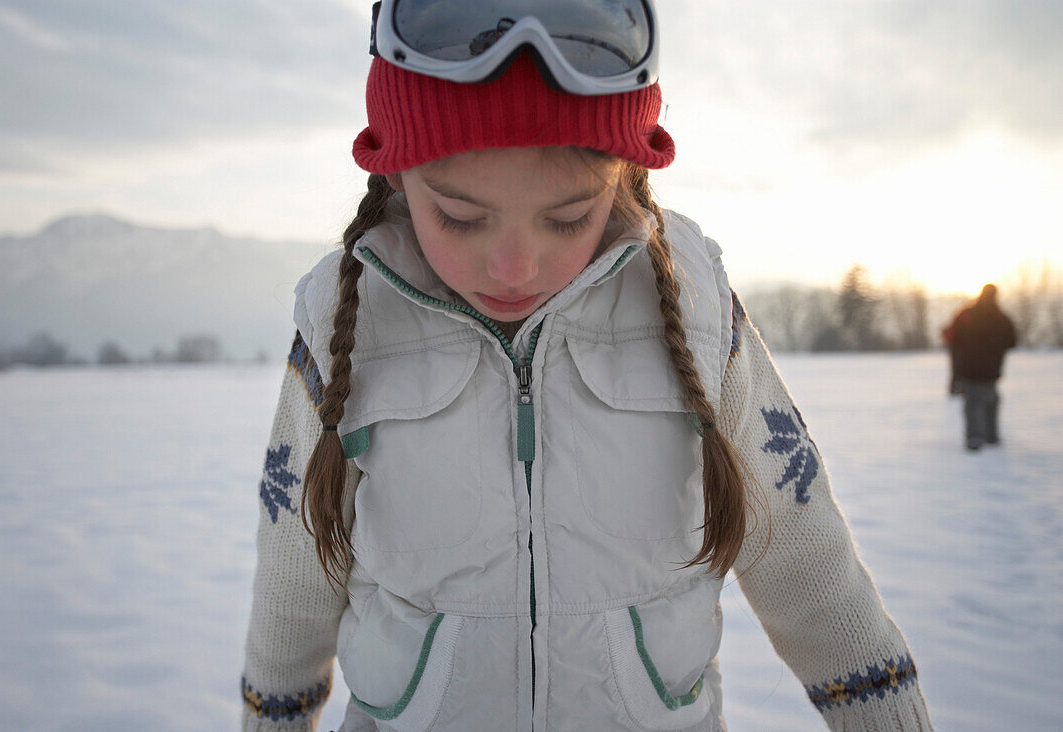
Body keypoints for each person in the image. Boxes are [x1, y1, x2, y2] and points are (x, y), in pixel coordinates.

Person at [241, 3, 932, 729]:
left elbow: (800, 545)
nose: (515, 267)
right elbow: (294, 571)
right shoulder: (344, 320)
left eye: (569, 217)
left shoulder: (694, 307)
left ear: (624, 180)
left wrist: (883, 708)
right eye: (461, 217)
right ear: (397, 181)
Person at [948, 284, 1018, 450]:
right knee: (990, 401)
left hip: (968, 368)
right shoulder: (1000, 317)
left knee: (973, 402)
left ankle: (975, 438)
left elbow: (952, 338)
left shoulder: (966, 314)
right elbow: (1012, 341)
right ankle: (991, 436)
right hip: (992, 369)